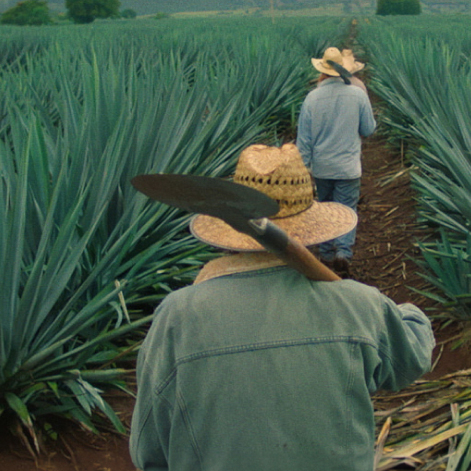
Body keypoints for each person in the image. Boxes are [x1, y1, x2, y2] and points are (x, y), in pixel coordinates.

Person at [130, 143, 435, 471]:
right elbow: (413, 358)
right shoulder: (359, 306)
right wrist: (389, 310)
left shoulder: (178, 316)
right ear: (314, 228)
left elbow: (148, 452)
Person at [297, 47, 377, 274]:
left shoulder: (312, 98)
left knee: (324, 208)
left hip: (322, 167)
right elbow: (369, 129)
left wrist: (303, 170)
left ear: (322, 71)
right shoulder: (358, 94)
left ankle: (325, 255)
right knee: (346, 210)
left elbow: (304, 140)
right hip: (348, 166)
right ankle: (343, 253)